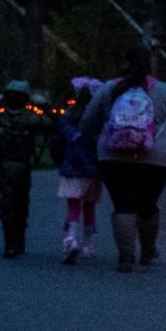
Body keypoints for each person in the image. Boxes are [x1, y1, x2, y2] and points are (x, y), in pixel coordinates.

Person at [76, 46, 166, 273]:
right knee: (148, 205)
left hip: (113, 157)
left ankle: (126, 256)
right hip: (155, 158)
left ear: (125, 63)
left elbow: (88, 120)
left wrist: (91, 141)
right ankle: (148, 249)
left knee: (123, 205)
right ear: (150, 64)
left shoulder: (109, 89)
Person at [0, 81, 46, 258]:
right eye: (11, 95)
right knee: (5, 205)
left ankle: (18, 240)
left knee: (20, 203)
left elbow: (53, 123)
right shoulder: (0, 117)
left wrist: (43, 106)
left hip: (21, 166)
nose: (14, 98)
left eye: (18, 95)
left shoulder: (30, 118)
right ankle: (10, 243)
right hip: (3, 166)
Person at [53, 78, 104, 264]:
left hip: (72, 167)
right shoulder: (97, 117)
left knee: (73, 205)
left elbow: (58, 141)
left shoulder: (68, 116)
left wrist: (60, 161)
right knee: (89, 206)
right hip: (93, 168)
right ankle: (88, 244)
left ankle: (71, 239)